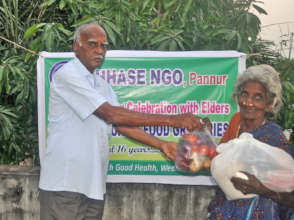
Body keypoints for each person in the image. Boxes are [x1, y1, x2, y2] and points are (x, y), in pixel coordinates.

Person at [38, 23, 208, 220]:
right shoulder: (67, 74)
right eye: (93, 44)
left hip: (93, 186)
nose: (99, 51)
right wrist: (172, 120)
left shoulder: (101, 85)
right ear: (76, 46)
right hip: (64, 184)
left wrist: (161, 144)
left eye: (104, 46)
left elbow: (121, 124)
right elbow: (110, 114)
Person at [207, 64, 294, 220]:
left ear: (269, 104)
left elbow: (291, 195)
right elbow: (219, 162)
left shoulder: (273, 137)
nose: (248, 102)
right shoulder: (236, 122)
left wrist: (262, 189)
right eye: (245, 94)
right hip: (224, 210)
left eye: (258, 97)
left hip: (259, 213)